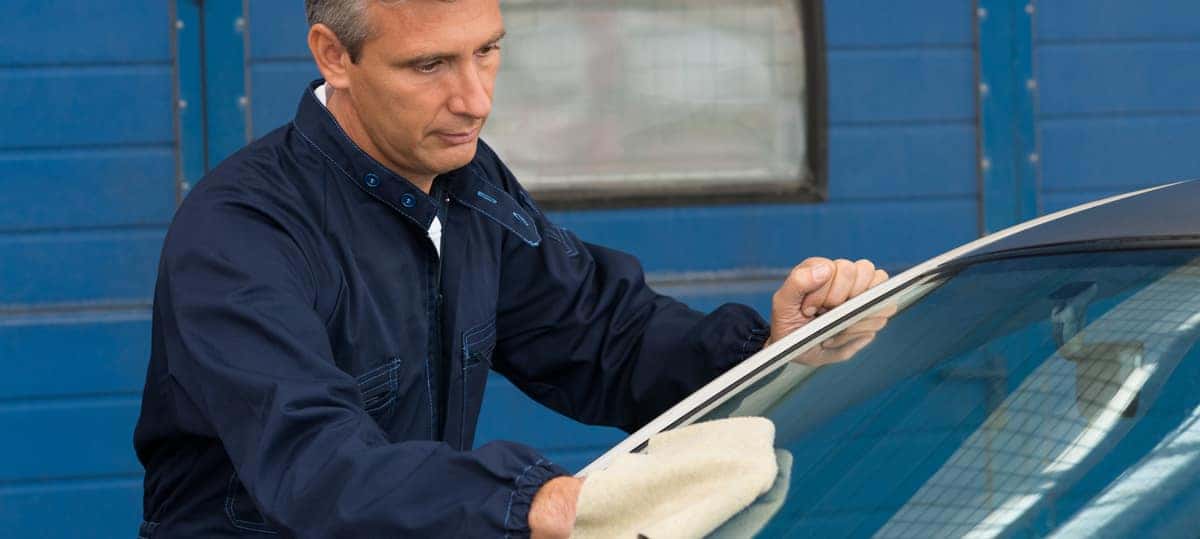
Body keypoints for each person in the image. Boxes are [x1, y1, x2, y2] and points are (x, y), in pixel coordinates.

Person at [132, 0, 888, 537]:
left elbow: (604, 335)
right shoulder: (242, 231)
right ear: (335, 55)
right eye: (430, 64)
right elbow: (316, 461)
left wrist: (768, 350)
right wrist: (526, 500)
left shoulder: (466, 183)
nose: (475, 98)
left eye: (488, 49)